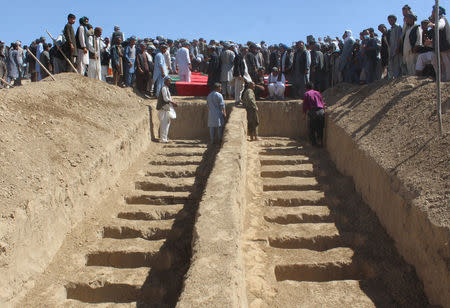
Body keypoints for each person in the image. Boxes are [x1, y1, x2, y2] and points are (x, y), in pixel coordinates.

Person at [303, 82, 325, 147]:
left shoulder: (306, 93)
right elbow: (322, 102)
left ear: (306, 88)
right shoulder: (318, 93)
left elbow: (305, 106)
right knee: (320, 128)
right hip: (321, 111)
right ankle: (320, 141)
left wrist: (304, 115)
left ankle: (313, 144)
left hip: (313, 112)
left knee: (312, 128)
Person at [156, 76, 178, 143]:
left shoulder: (166, 88)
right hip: (163, 108)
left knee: (167, 123)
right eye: (169, 81)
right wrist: (173, 103)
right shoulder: (164, 89)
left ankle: (165, 138)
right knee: (164, 124)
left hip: (166, 108)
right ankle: (163, 139)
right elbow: (165, 99)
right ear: (165, 81)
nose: (170, 82)